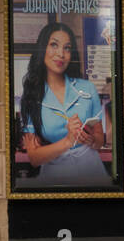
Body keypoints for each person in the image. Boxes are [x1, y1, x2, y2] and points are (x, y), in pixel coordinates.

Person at [18, 21, 110, 187]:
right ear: (42, 49)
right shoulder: (32, 96)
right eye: (54, 45)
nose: (61, 53)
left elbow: (99, 139)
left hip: (92, 174)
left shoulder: (87, 88)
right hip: (55, 178)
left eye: (67, 48)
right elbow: (34, 158)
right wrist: (68, 141)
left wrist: (90, 140)